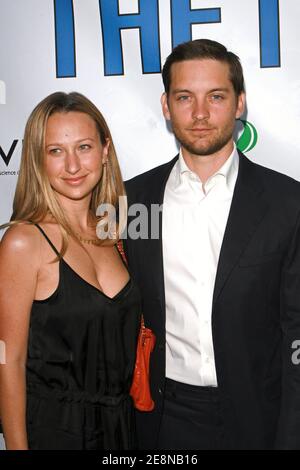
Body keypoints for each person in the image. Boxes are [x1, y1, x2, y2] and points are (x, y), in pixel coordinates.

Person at [124, 39, 300, 450]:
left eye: (216, 97)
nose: (200, 113)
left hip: (261, 416)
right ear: (166, 106)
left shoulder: (287, 203)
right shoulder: (133, 201)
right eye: (185, 97)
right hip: (162, 418)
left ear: (240, 103)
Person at [0, 92, 141, 450]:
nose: (73, 166)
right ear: (37, 159)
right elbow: (9, 361)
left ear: (105, 151)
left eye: (84, 147)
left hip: (121, 426)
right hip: (54, 431)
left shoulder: (116, 233)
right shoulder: (23, 242)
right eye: (56, 151)